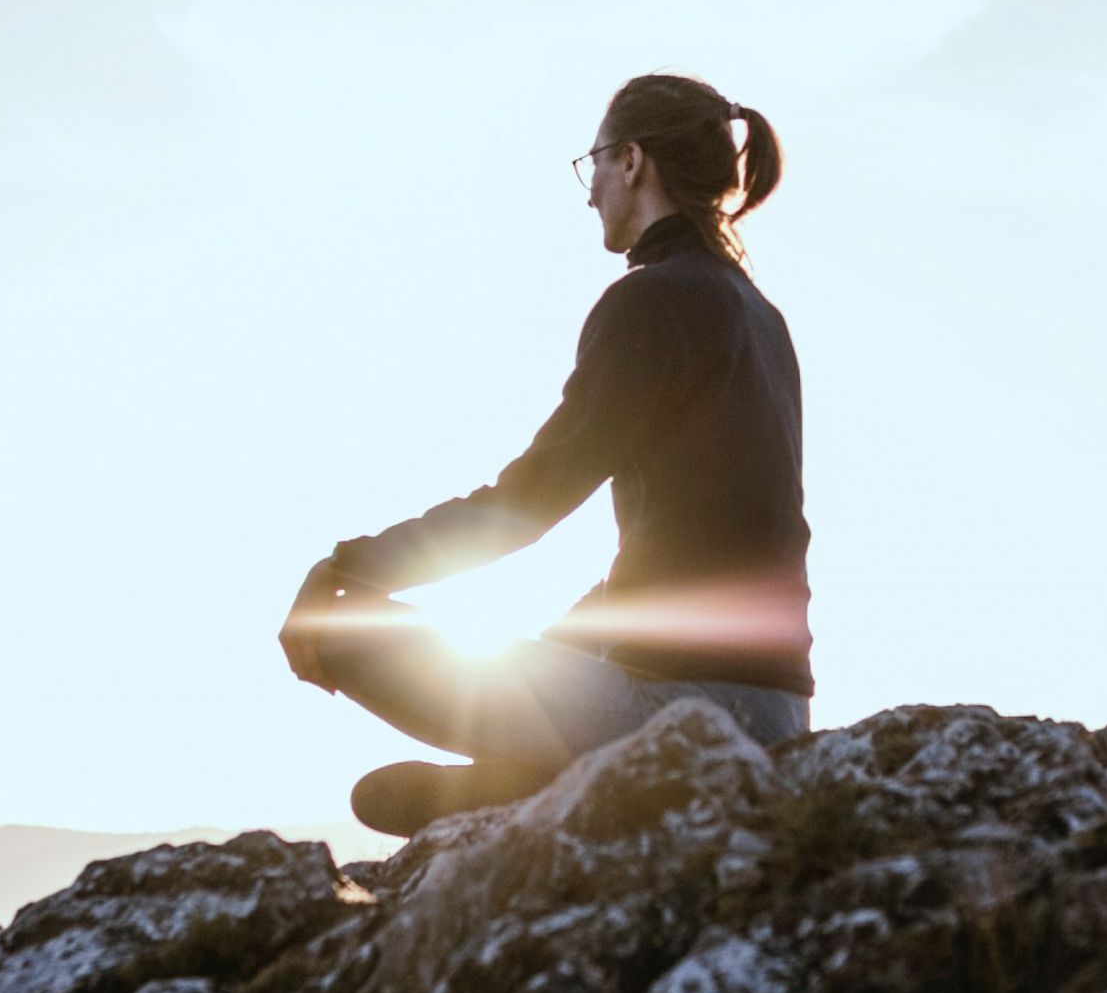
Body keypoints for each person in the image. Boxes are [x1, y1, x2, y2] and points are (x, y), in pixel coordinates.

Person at [278, 72, 812, 837]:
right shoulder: (762, 316)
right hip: (779, 712)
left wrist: (347, 568)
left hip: (688, 715)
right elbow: (712, 540)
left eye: (594, 163)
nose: (589, 189)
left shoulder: (652, 300)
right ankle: (539, 782)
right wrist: (568, 640)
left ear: (632, 161)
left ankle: (538, 786)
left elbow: (526, 503)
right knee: (562, 642)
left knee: (337, 627)